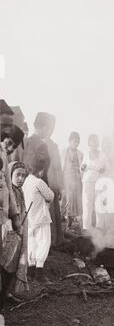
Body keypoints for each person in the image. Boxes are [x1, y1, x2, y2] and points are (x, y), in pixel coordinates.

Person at [0, 126, 24, 314]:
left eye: (13, 147)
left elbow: (7, 186)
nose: (10, 148)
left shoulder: (6, 159)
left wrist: (15, 216)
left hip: (3, 215)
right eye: (9, 143)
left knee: (5, 257)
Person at [23, 154, 54, 282]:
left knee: (32, 243)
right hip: (41, 218)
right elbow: (50, 196)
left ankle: (30, 270)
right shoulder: (39, 182)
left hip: (29, 218)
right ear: (41, 170)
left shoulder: (26, 182)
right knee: (44, 242)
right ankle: (39, 272)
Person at [0, 162, 29, 300]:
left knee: (14, 263)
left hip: (18, 235)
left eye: (23, 176)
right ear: (10, 174)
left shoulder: (20, 192)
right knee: (5, 263)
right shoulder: (7, 192)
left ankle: (7, 293)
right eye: (18, 175)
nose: (21, 179)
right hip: (8, 234)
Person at [43, 114, 64, 247]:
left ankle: (57, 240)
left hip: (54, 182)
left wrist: (60, 186)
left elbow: (58, 167)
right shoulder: (36, 143)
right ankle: (48, 241)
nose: (50, 130)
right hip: (43, 181)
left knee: (56, 211)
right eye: (49, 127)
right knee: (46, 213)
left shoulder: (54, 145)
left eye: (52, 128)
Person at [81, 134, 109, 230]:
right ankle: (86, 227)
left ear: (97, 143)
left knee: (99, 203)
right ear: (89, 144)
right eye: (91, 143)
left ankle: (100, 225)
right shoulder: (86, 154)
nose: (93, 145)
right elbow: (83, 167)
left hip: (99, 182)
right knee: (87, 203)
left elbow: (107, 168)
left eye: (95, 143)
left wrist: (103, 170)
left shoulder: (102, 155)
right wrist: (83, 167)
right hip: (87, 181)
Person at [61, 132, 83, 230]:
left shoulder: (80, 154)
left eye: (78, 142)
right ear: (70, 141)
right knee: (67, 199)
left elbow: (83, 167)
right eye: (74, 141)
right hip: (67, 178)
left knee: (76, 200)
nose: (76, 143)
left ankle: (74, 223)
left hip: (77, 179)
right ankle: (66, 223)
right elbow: (62, 167)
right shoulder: (64, 152)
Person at [23, 112, 50, 176]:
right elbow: (42, 173)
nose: (48, 131)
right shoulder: (42, 146)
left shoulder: (24, 142)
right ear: (44, 127)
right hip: (35, 182)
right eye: (48, 128)